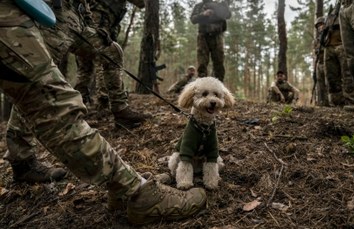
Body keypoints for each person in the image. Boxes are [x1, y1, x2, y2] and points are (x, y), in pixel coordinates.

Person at [0, 0, 206, 225]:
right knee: (44, 93)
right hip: (32, 12)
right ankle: (133, 190)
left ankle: (120, 109)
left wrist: (89, 23)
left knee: (110, 49)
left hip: (71, 16)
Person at [65, 0, 151, 129]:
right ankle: (106, 103)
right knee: (106, 57)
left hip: (87, 21)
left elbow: (141, 3)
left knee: (87, 67)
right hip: (94, 20)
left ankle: (78, 111)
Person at [323, 5, 354, 107]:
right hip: (329, 48)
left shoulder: (347, 10)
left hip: (342, 46)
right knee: (331, 77)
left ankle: (352, 102)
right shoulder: (329, 18)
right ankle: (337, 103)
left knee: (347, 75)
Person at [190, 0, 231, 82]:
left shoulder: (220, 5)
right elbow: (193, 19)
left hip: (217, 36)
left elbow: (228, 15)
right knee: (202, 63)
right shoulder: (199, 6)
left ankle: (219, 85)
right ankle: (202, 85)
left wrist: (218, 10)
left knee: (218, 62)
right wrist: (203, 14)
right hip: (203, 36)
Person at [313, 16, 330, 106]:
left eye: (321, 24)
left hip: (328, 62)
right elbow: (315, 54)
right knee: (320, 84)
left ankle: (331, 102)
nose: (320, 27)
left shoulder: (329, 35)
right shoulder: (316, 40)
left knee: (329, 82)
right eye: (318, 26)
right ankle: (321, 102)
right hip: (319, 63)